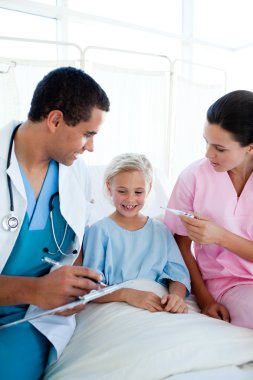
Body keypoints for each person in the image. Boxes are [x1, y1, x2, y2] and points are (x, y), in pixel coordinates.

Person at [0, 66, 110, 380]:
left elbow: (75, 244)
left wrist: (68, 288)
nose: (90, 147)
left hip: (29, 318)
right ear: (55, 120)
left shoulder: (76, 174)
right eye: (88, 134)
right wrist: (36, 289)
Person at [164, 90, 253, 329]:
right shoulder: (193, 177)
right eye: (206, 141)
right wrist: (205, 300)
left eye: (220, 148)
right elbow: (178, 246)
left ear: (250, 148)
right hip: (228, 284)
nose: (208, 154)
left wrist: (219, 236)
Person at [83, 153, 190, 313]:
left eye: (138, 192)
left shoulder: (160, 230)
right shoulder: (99, 231)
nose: (130, 199)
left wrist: (176, 297)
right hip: (117, 304)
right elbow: (89, 286)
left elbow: (178, 276)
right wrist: (127, 294)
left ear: (149, 189)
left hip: (158, 303)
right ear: (108, 186)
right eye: (122, 191)